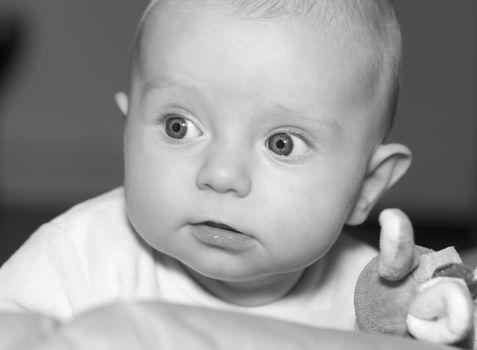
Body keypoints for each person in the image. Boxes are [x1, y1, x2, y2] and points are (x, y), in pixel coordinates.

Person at [0, 0, 411, 331]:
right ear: (128, 134)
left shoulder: (381, 308)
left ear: (367, 186)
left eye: (281, 143)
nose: (221, 175)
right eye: (179, 127)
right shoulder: (73, 264)